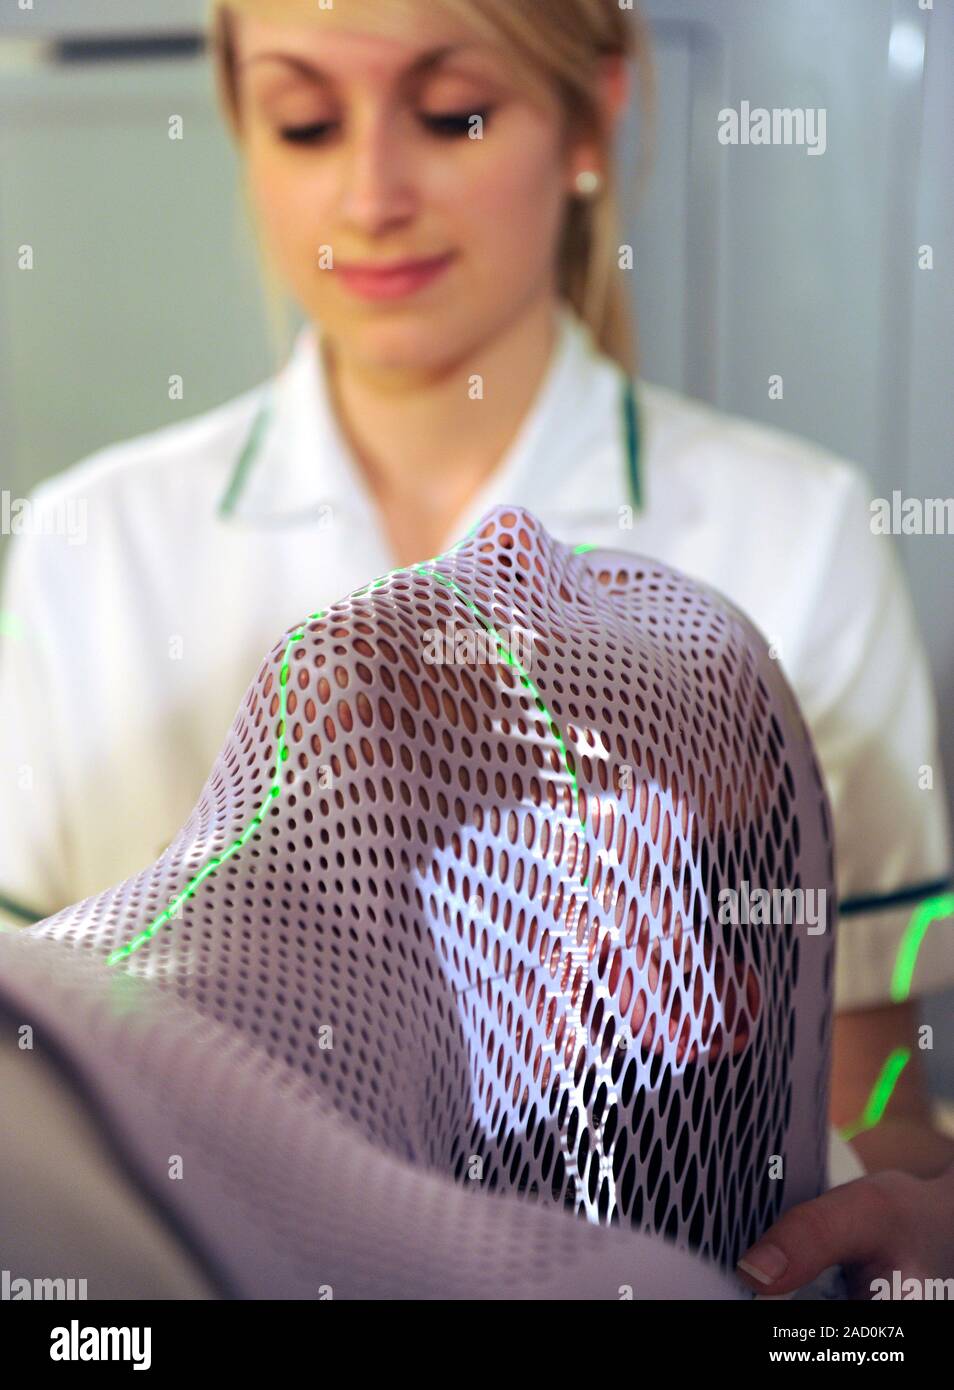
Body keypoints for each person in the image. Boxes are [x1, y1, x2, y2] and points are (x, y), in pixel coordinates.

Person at [0, 0, 952, 1295]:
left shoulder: (794, 528)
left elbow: (867, 1085)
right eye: (303, 122)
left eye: (452, 114)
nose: (372, 192)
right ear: (238, 128)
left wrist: (907, 1211)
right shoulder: (88, 544)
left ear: (592, 117)